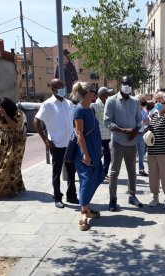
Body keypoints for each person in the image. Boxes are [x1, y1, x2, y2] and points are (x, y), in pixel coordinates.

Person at [34, 78, 78, 208]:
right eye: (59, 86)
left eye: (63, 85)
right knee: (57, 172)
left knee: (71, 171)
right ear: (53, 89)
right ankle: (57, 197)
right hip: (56, 144)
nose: (62, 88)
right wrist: (45, 140)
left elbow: (74, 121)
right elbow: (36, 122)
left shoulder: (69, 103)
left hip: (70, 143)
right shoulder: (48, 104)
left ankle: (71, 195)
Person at [104, 75, 143, 211]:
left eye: (129, 83)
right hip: (117, 142)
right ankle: (113, 200)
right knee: (114, 172)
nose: (127, 85)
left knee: (132, 172)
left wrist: (135, 130)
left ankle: (132, 196)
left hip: (132, 142)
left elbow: (139, 120)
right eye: (124, 83)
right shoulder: (111, 101)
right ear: (120, 84)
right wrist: (123, 130)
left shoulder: (135, 102)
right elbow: (107, 121)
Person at [70, 81, 104, 231]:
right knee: (86, 179)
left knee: (99, 176)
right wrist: (86, 154)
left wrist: (100, 147)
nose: (95, 94)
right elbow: (79, 133)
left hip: (95, 150)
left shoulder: (90, 109)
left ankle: (87, 206)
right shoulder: (79, 110)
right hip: (85, 151)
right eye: (93, 91)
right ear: (88, 93)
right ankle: (84, 212)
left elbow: (94, 130)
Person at [0, 97, 26, 200]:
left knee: (11, 165)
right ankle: (3, 189)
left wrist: (5, 115)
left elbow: (15, 126)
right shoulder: (0, 115)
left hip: (15, 142)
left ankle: (11, 189)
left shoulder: (18, 114)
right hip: (2, 142)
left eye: (1, 107)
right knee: (0, 164)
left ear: (7, 107)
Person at [147, 92, 165, 209]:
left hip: (164, 151)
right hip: (152, 151)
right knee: (153, 175)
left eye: (160, 101)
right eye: (156, 101)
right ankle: (155, 197)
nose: (158, 103)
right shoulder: (154, 116)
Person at [91, 86, 112, 180]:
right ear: (103, 94)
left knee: (107, 157)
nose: (108, 95)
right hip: (99, 136)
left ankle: (103, 173)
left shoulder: (108, 104)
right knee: (98, 156)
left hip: (107, 135)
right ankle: (96, 173)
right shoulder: (94, 105)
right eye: (107, 93)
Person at [137, 95, 149, 176]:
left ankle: (141, 169)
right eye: (142, 101)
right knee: (131, 153)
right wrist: (142, 122)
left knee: (141, 153)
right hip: (132, 134)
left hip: (141, 133)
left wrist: (144, 122)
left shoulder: (144, 111)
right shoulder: (133, 110)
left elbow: (147, 122)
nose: (143, 103)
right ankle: (131, 170)